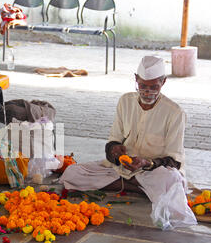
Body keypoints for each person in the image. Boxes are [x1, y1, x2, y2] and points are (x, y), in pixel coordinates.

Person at [59, 56, 197, 230]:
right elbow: (112, 141)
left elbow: (175, 160)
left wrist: (147, 163)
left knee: (172, 181)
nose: (147, 92)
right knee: (72, 172)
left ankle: (135, 186)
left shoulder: (175, 113)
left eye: (154, 87)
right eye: (143, 86)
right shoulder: (125, 101)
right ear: (136, 80)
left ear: (163, 83)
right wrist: (115, 151)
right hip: (122, 169)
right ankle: (141, 189)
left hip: (154, 172)